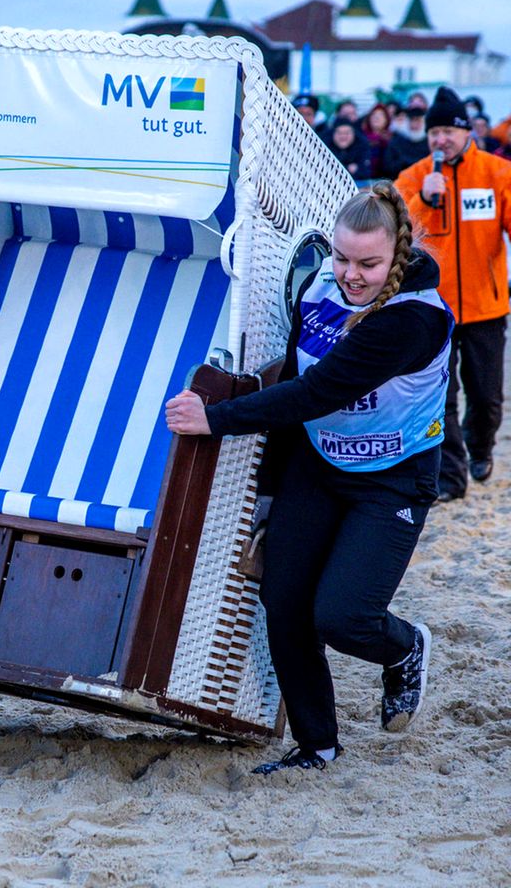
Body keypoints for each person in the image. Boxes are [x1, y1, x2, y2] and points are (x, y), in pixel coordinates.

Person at [165, 183, 451, 774]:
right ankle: (317, 745)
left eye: (368, 264)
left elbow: (315, 392)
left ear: (396, 256)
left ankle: (405, 648)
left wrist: (215, 419)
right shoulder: (319, 282)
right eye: (342, 257)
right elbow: (294, 376)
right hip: (320, 463)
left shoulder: (413, 319)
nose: (350, 275)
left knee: (342, 617)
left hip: (393, 477)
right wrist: (271, 490)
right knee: (284, 599)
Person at [396, 86, 511, 502]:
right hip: (433, 310)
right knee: (440, 398)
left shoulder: (497, 173)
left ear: (467, 132)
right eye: (434, 132)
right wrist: (424, 200)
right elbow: (395, 229)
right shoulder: (414, 177)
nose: (441, 139)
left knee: (486, 396)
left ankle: (480, 448)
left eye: (448, 131)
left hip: (485, 307)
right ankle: (450, 476)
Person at [384, 106, 429, 180]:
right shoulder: (396, 141)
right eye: (412, 120)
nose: (414, 124)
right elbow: (388, 167)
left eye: (418, 121)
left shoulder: (429, 142)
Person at [326, 118, 371, 184]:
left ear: (353, 133)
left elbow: (366, 172)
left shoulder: (362, 144)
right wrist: (348, 168)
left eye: (347, 133)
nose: (343, 136)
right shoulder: (325, 145)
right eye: (339, 133)